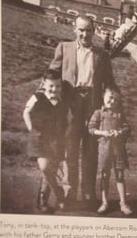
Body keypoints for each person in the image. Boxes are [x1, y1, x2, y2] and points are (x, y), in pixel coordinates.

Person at [49, 16, 116, 203]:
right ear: (74, 29)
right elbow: (52, 74)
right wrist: (40, 95)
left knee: (90, 149)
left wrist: (116, 100)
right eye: (81, 30)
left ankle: (88, 192)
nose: (84, 34)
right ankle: (69, 191)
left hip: (93, 105)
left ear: (93, 31)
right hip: (71, 104)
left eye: (88, 30)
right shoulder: (64, 48)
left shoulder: (102, 55)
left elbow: (109, 82)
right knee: (70, 148)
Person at [23, 69, 71, 213]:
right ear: (44, 84)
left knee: (50, 170)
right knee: (44, 167)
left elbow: (70, 121)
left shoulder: (63, 103)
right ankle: (60, 194)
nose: (54, 89)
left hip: (56, 141)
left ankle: (42, 202)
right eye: (51, 86)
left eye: (57, 86)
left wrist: (65, 136)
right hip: (40, 139)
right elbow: (26, 112)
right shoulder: (37, 97)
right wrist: (31, 128)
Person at [88, 85, 132, 215]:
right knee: (104, 175)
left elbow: (127, 128)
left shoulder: (120, 113)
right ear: (103, 97)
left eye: (116, 99)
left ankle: (123, 203)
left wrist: (118, 132)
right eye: (110, 98)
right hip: (104, 149)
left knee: (119, 175)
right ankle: (104, 202)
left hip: (118, 149)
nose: (112, 101)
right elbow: (90, 128)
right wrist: (103, 133)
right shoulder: (98, 113)